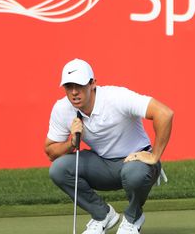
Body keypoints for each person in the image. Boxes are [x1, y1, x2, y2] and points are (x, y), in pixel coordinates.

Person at [46, 58, 174, 234]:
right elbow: (51, 151)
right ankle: (102, 215)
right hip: (103, 165)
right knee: (58, 169)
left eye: (80, 86)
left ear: (92, 84)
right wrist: (72, 143)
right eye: (69, 87)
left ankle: (133, 217)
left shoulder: (116, 97)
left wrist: (154, 155)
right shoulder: (62, 108)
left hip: (135, 162)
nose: (74, 92)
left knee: (134, 173)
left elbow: (164, 113)